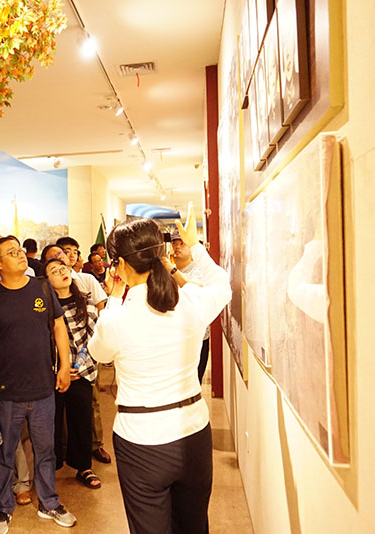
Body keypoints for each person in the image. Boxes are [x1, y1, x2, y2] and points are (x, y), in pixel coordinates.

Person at [87, 209, 231, 534]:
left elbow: (98, 353)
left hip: (141, 440)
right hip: (193, 432)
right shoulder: (190, 301)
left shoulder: (116, 318)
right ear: (162, 255)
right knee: (194, 525)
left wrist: (113, 297)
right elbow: (222, 285)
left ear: (120, 266)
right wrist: (195, 247)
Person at [0, 236, 76, 534]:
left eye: (20, 250)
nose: (21, 255)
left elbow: (58, 327)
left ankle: (49, 502)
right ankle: (3, 508)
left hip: (43, 388)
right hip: (7, 392)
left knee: (46, 450)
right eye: (12, 253)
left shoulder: (42, 288)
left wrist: (64, 365)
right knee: (4, 453)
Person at [42, 242, 111, 464]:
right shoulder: (44, 308)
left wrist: (76, 368)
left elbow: (91, 337)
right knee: (53, 420)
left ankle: (83, 466)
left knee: (81, 419)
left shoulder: (85, 301)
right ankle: (54, 463)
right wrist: (60, 368)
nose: (62, 272)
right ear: (46, 281)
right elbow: (45, 342)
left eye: (63, 268)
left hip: (82, 370)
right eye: (54, 271)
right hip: (54, 373)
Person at [171, 231, 212, 383]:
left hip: (197, 337)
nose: (177, 246)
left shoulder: (198, 270)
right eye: (174, 243)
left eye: (182, 243)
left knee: (193, 383)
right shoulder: (166, 272)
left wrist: (173, 271)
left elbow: (197, 289)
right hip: (173, 336)